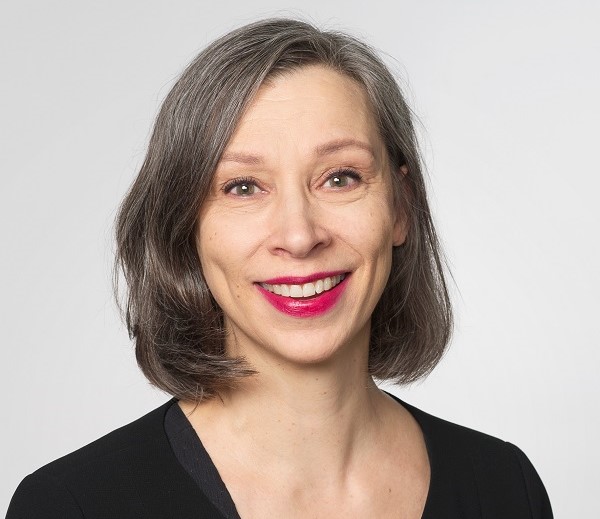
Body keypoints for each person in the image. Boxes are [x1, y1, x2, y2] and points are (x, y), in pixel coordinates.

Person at [7, 18, 552, 519]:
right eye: (243, 187)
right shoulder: (70, 506)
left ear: (401, 207)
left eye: (340, 177)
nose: (299, 235)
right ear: (186, 227)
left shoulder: (505, 488)